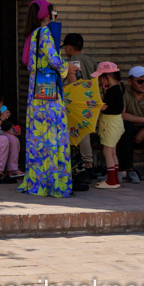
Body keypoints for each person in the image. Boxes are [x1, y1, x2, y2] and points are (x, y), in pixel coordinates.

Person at [18, 0, 78, 198]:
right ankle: (55, 183)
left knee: (39, 138)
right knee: (53, 136)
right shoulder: (44, 33)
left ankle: (38, 181)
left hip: (36, 93)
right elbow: (54, 60)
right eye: (53, 12)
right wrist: (67, 68)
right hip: (49, 93)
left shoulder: (32, 35)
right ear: (46, 13)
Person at [61, 33, 97, 182]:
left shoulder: (70, 62)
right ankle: (88, 165)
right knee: (85, 133)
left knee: (82, 135)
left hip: (77, 102)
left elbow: (72, 84)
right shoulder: (90, 61)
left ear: (68, 47)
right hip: (91, 100)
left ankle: (87, 166)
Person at [91, 62, 125, 189]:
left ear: (108, 77)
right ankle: (115, 179)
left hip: (111, 124)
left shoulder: (113, 90)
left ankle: (111, 181)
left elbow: (105, 106)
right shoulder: (116, 89)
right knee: (113, 152)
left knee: (107, 151)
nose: (100, 81)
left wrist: (94, 107)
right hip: (116, 123)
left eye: (101, 78)